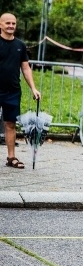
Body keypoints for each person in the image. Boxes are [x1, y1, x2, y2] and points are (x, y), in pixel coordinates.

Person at [0, 13, 41, 169]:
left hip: (13, 91)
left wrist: (33, 88)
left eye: (13, 23)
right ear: (0, 25)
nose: (11, 26)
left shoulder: (20, 45)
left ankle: (11, 157)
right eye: (8, 23)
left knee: (11, 124)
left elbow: (25, 68)